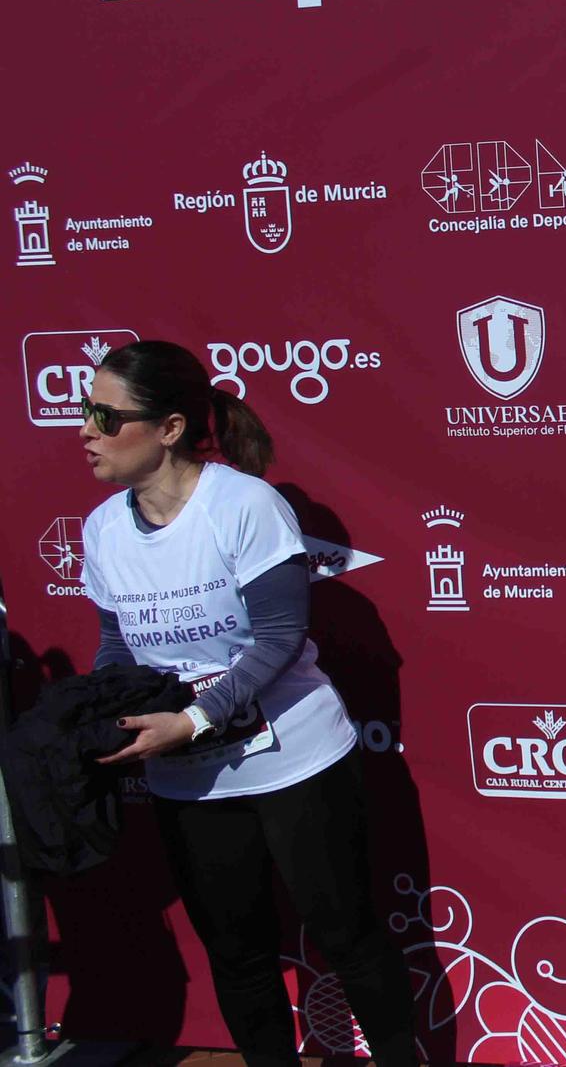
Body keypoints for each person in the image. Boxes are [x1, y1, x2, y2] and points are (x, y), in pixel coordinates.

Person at [78, 341, 415, 1067]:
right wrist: (110, 704)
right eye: (85, 408)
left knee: (349, 939)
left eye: (105, 414)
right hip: (188, 778)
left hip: (297, 763)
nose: (86, 429)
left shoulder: (244, 505)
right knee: (238, 956)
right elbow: (114, 643)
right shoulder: (103, 528)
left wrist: (195, 717)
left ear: (169, 428)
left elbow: (280, 638)